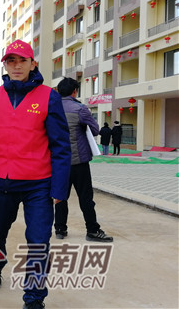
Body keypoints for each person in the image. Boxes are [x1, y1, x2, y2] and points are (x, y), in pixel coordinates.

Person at [0, 40, 71, 309]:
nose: (17, 65)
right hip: (2, 181)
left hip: (38, 184)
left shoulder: (49, 96)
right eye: (11, 61)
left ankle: (34, 300)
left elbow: (60, 145)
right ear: (5, 65)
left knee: (38, 241)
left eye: (22, 60)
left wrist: (59, 190)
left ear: (33, 63)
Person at [54, 77, 113, 243]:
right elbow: (95, 130)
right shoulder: (80, 109)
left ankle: (60, 228)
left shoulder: (51, 108)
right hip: (78, 161)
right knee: (85, 197)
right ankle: (92, 230)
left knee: (60, 195)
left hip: (58, 162)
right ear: (75, 91)